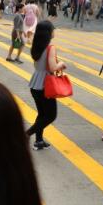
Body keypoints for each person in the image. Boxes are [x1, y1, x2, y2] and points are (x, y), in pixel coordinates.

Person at [26, 21, 66, 150]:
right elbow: (53, 67)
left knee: (42, 114)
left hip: (35, 83)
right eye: (53, 29)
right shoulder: (50, 47)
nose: (54, 31)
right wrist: (61, 64)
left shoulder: (37, 45)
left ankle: (39, 140)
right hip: (45, 85)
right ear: (48, 32)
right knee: (50, 115)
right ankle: (26, 134)